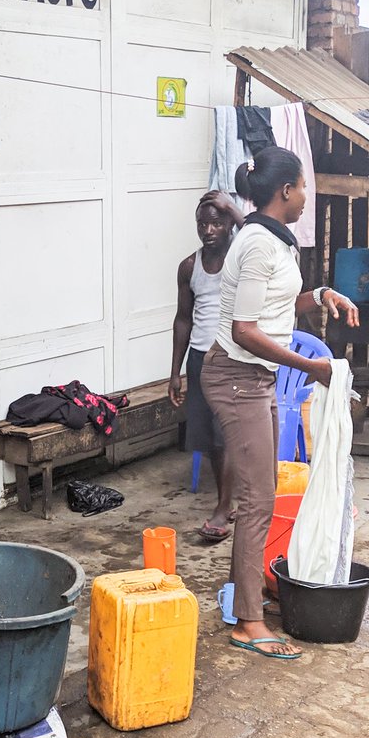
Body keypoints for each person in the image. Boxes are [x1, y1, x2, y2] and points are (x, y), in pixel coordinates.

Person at [201, 146, 359, 659]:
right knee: (258, 501)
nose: (307, 195)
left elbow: (277, 305)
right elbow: (245, 331)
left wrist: (322, 295)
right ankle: (248, 623)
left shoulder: (274, 239)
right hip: (236, 377)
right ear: (285, 190)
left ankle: (244, 600)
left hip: (258, 378)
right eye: (304, 186)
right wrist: (312, 368)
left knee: (261, 494)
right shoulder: (256, 244)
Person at [169, 190, 245, 542]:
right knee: (212, 440)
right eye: (203, 224)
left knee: (225, 434)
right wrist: (176, 372)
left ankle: (223, 506)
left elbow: (265, 239)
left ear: (229, 224)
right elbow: (183, 319)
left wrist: (233, 208)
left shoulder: (241, 257)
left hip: (231, 356)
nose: (209, 230)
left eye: (217, 223)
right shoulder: (189, 266)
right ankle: (227, 502)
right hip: (200, 359)